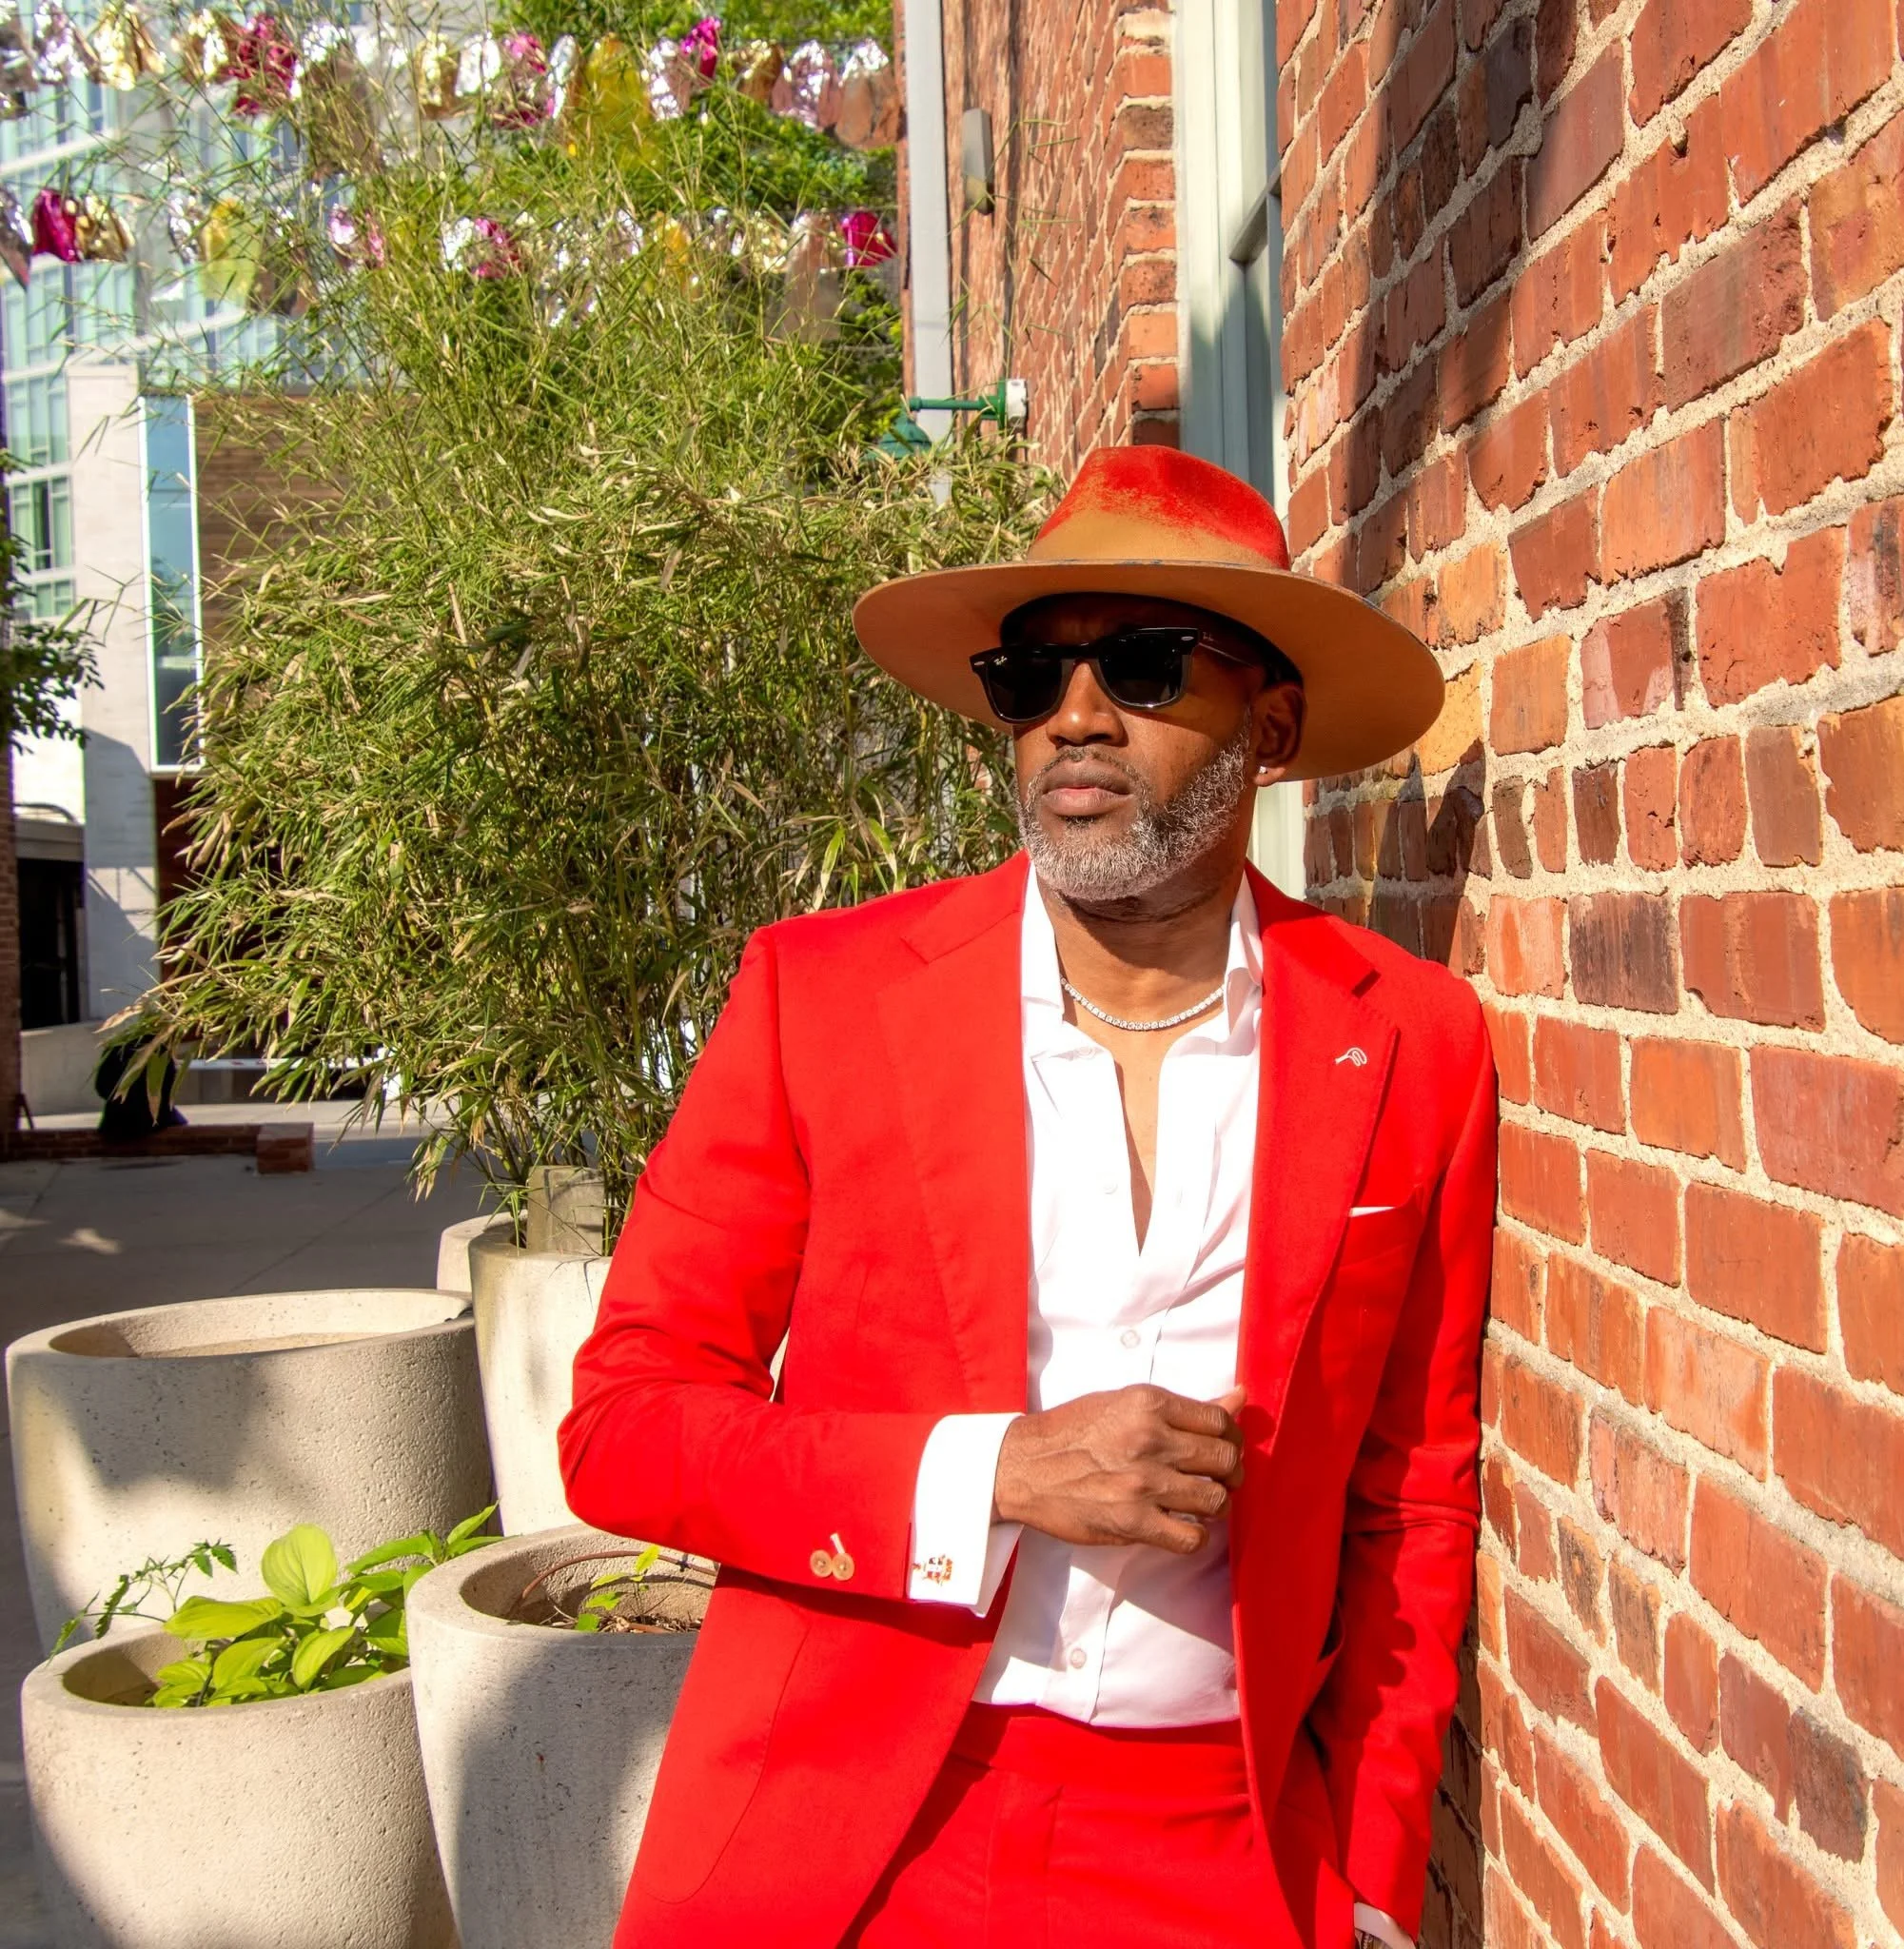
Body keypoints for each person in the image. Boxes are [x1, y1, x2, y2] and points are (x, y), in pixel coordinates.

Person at [560, 444, 1498, 1949]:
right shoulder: (825, 1000)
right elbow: (626, 1422)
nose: (1074, 714)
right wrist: (990, 1473)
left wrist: (1376, 1878)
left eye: (1138, 664)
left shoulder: (1411, 1041)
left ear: (1270, 721)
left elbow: (1412, 1494)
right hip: (863, 1827)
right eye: (1031, 674)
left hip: (1227, 1839)